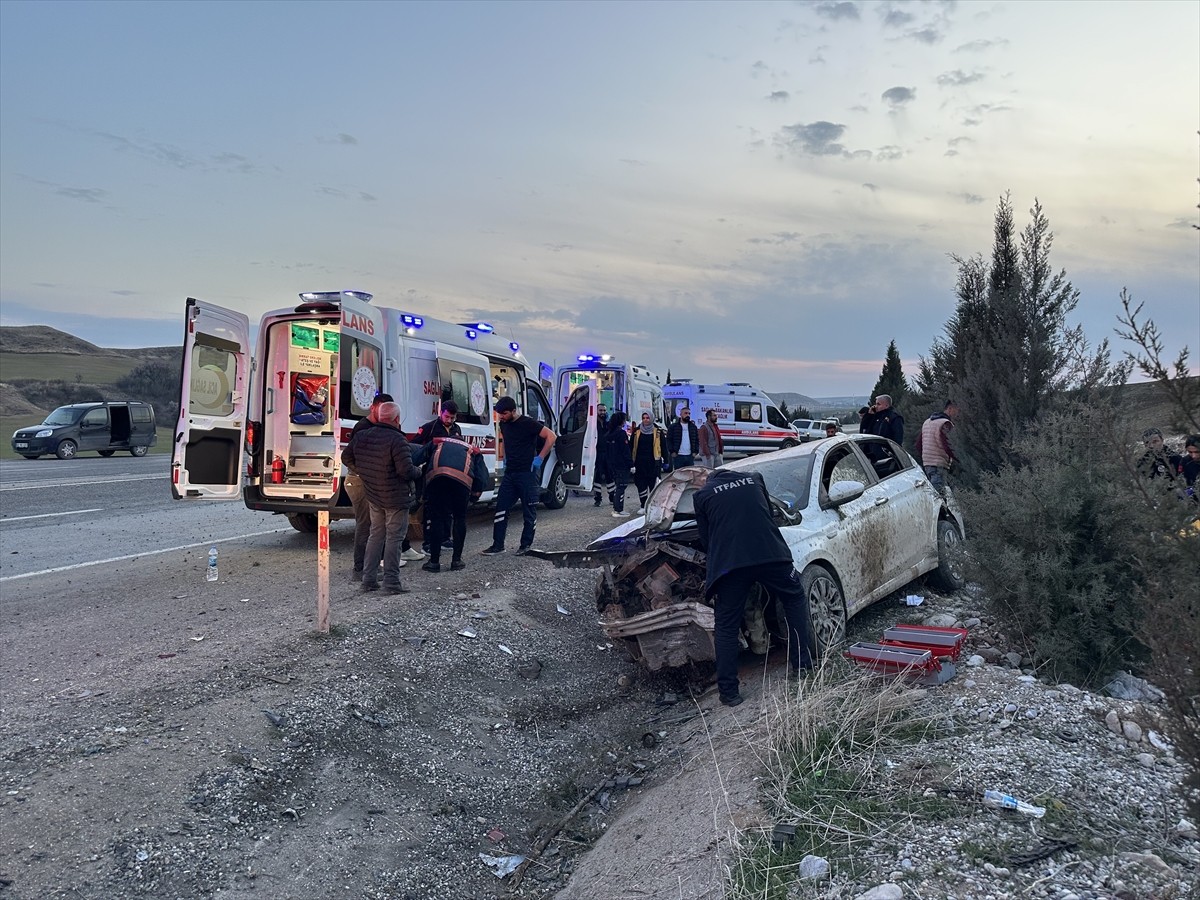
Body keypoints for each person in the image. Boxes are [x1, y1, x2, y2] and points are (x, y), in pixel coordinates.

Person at [694, 468, 814, 707]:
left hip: (731, 567)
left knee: (726, 625)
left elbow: (706, 540)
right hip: (771, 556)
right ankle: (803, 666)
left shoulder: (702, 495)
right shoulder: (755, 479)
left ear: (709, 480)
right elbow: (768, 515)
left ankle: (729, 693)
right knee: (794, 598)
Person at [341, 401, 416, 594]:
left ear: (380, 416)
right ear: (397, 419)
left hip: (373, 494)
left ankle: (368, 580)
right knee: (394, 539)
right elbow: (406, 471)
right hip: (395, 497)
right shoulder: (398, 440)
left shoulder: (362, 436)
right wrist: (419, 471)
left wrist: (364, 472)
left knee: (375, 536)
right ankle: (391, 583)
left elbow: (346, 457)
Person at [483, 396, 557, 555]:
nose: (501, 417)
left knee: (529, 510)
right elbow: (506, 441)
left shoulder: (528, 423)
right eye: (499, 414)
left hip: (527, 473)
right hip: (510, 473)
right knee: (501, 508)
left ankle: (525, 545)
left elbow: (551, 437)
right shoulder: (504, 424)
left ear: (513, 411)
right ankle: (498, 545)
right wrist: (504, 458)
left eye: (504, 413)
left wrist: (540, 458)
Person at [417, 435, 488, 572]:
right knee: (459, 519)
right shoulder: (472, 449)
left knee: (437, 519)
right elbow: (482, 476)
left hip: (437, 479)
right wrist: (475, 493)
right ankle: (456, 561)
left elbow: (416, 458)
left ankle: (434, 562)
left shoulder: (437, 442)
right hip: (461, 483)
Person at [412, 401, 464, 556]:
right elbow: (414, 446)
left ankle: (445, 538)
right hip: (432, 473)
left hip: (450, 473)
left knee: (448, 507)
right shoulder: (430, 427)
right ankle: (428, 542)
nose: (449, 420)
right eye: (447, 417)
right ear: (441, 413)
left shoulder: (456, 429)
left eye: (452, 418)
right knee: (431, 508)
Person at [915, 400, 959, 494]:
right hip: (939, 464)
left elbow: (918, 445)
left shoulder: (927, 422)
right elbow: (948, 445)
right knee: (941, 496)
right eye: (957, 410)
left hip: (927, 464)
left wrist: (926, 458)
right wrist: (959, 460)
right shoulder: (946, 423)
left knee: (937, 494)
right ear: (950, 408)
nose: (958, 413)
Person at [631, 411, 669, 512]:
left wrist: (666, 460)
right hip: (639, 462)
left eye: (647, 418)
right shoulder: (636, 432)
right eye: (643, 418)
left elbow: (664, 447)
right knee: (641, 484)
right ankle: (643, 505)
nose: (645, 420)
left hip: (653, 462)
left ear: (651, 418)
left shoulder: (658, 432)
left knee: (653, 485)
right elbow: (631, 447)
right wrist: (630, 462)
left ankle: (653, 506)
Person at [602, 412, 634, 517]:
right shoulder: (621, 434)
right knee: (621, 486)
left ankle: (616, 508)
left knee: (617, 486)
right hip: (621, 465)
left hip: (612, 464)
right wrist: (631, 464)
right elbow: (625, 451)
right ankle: (618, 509)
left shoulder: (608, 434)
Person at [592, 404, 611, 508]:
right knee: (598, 477)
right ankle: (598, 499)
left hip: (607, 453)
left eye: (604, 410)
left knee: (610, 476)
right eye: (600, 410)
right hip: (597, 453)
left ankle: (612, 497)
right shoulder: (593, 424)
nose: (603, 412)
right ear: (596, 411)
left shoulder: (608, 424)